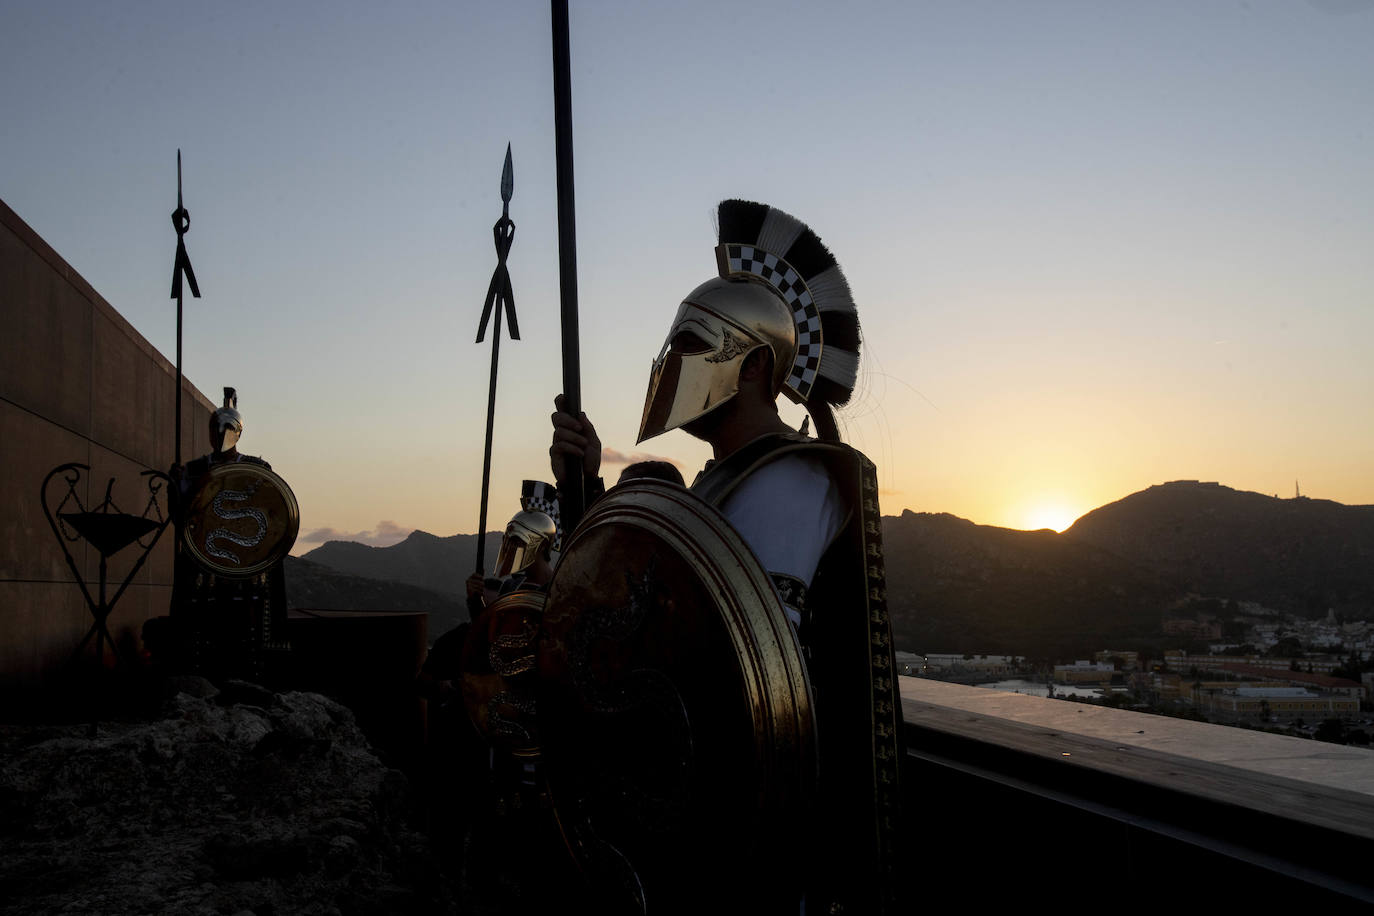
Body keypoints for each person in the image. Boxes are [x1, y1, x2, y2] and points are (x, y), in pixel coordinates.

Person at [550, 199, 901, 913]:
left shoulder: (787, 482)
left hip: (753, 836)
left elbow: (733, 676)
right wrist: (586, 491)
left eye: (691, 343)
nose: (670, 363)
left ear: (753, 366)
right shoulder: (724, 482)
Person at [165, 387, 290, 681]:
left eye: (227, 428)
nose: (220, 434)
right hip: (205, 558)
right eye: (215, 428)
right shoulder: (194, 470)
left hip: (245, 562)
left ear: (238, 432)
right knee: (200, 623)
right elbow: (182, 516)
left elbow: (271, 512)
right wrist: (178, 486)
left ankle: (253, 674)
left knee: (247, 623)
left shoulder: (256, 469)